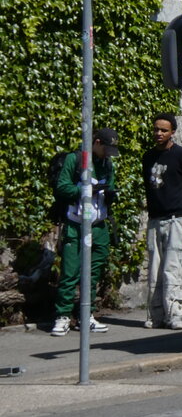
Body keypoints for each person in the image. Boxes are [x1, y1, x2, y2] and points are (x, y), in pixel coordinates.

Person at [49, 128, 120, 336]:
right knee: (70, 272)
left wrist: (110, 193)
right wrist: (85, 190)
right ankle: (62, 316)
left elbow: (111, 184)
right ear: (96, 142)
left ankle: (85, 315)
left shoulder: (107, 163)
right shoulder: (75, 159)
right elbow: (62, 187)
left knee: (93, 273)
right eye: (106, 149)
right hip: (76, 223)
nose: (108, 154)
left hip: (98, 224)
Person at [142, 112, 182, 330]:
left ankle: (175, 315)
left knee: (174, 268)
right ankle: (156, 315)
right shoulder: (148, 157)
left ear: (172, 132)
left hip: (177, 218)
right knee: (155, 269)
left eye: (164, 130)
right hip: (155, 219)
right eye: (156, 129)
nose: (159, 133)